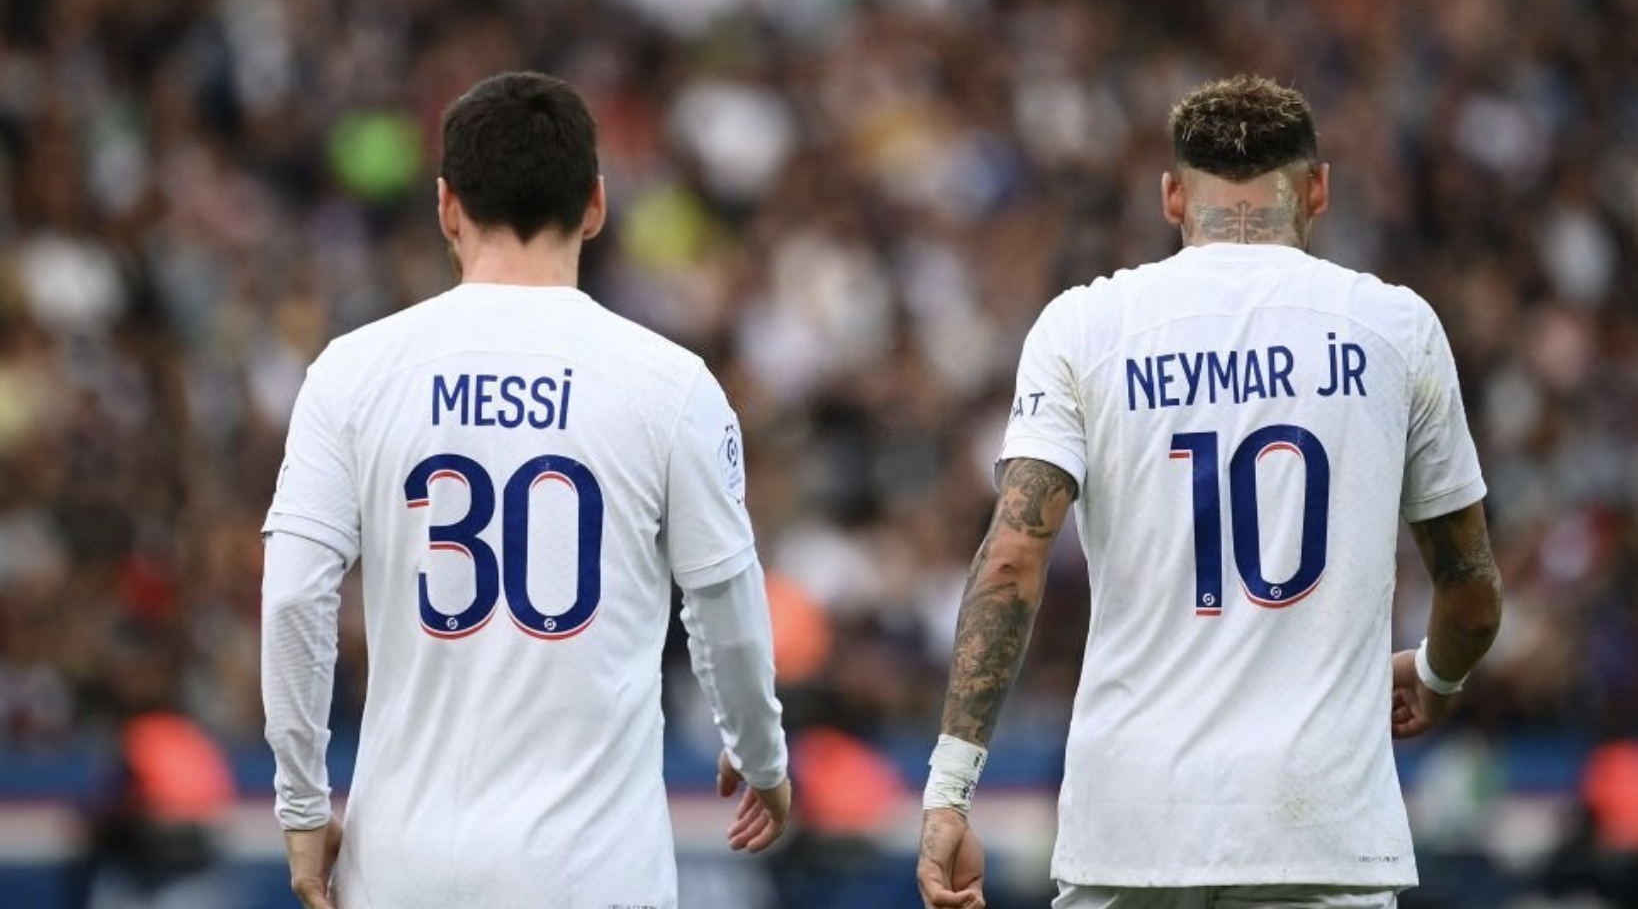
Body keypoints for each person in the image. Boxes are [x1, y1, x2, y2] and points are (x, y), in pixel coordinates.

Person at [917, 75, 1504, 909]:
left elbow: (1011, 561)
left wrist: (950, 790)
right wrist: (1438, 677)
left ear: (1171, 197)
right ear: (1318, 189)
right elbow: (1472, 595)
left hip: (1131, 829)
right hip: (1320, 831)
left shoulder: (1084, 326)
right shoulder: (1394, 329)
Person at [261, 71, 791, 909]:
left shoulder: (353, 373)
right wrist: (758, 752)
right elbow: (724, 600)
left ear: (447, 206)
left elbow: (294, 596)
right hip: (594, 869)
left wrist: (300, 803)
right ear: (596, 204)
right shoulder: (670, 385)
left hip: (401, 868)